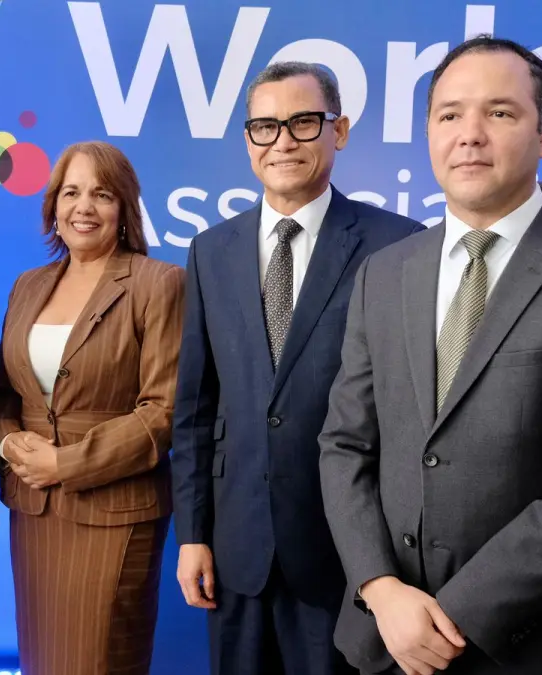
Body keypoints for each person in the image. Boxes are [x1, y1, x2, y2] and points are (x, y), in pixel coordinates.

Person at [319, 35, 542, 675]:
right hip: (386, 639)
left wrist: (449, 620)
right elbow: (344, 444)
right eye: (450, 114)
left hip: (534, 645)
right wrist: (379, 588)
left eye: (500, 112)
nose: (469, 134)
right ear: (428, 132)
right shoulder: (383, 274)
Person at [170, 62, 423, 675]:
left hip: (347, 556)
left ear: (339, 130)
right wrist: (193, 534)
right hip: (236, 549)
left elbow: (411, 411)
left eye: (303, 122)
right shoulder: (211, 250)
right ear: (248, 140)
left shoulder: (400, 245)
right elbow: (196, 408)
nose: (282, 141)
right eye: (265, 126)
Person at [0, 141, 184, 674]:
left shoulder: (158, 283)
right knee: (43, 660)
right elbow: (4, 393)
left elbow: (163, 410)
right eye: (71, 192)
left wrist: (66, 463)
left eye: (101, 194)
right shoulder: (28, 285)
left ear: (124, 207)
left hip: (115, 511)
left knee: (101, 660)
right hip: (35, 509)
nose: (83, 207)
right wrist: (8, 443)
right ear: (53, 205)